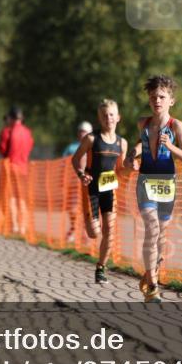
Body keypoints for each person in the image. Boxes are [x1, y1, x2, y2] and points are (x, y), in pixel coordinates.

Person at [127, 75, 182, 303]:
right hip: (146, 181)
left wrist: (171, 147)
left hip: (167, 183)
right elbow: (142, 144)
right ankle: (153, 288)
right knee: (152, 228)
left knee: (161, 235)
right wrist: (132, 154)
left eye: (162, 97)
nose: (157, 100)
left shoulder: (176, 126)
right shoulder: (143, 124)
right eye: (153, 97)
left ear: (171, 101)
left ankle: (150, 274)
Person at [71, 102, 127, 284]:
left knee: (109, 230)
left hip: (109, 189)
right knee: (94, 233)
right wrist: (81, 174)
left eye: (111, 115)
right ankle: (88, 218)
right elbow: (76, 158)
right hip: (92, 188)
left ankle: (101, 268)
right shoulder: (91, 139)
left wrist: (131, 168)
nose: (108, 118)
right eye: (104, 115)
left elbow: (121, 169)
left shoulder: (122, 143)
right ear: (99, 118)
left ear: (118, 117)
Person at [0, 107, 34, 235]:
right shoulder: (28, 132)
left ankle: (15, 226)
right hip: (24, 168)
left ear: (11, 118)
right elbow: (30, 147)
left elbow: (3, 150)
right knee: (21, 198)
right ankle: (23, 227)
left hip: (10, 167)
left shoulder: (7, 131)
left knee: (10, 197)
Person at [63, 121, 93, 244]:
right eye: (81, 131)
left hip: (88, 183)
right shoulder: (71, 148)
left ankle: (86, 233)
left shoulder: (93, 147)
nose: (82, 133)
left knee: (87, 209)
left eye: (85, 131)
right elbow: (63, 164)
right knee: (72, 209)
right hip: (73, 183)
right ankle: (74, 229)